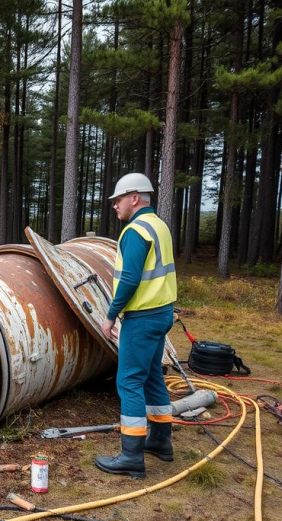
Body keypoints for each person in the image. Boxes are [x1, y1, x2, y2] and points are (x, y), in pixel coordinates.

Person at [95, 173, 178, 479]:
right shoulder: (159, 226)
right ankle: (160, 441)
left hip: (142, 316)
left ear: (134, 198)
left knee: (129, 381)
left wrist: (111, 315)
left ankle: (131, 456)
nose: (114, 206)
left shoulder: (135, 231)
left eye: (117, 200)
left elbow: (129, 279)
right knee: (152, 376)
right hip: (161, 313)